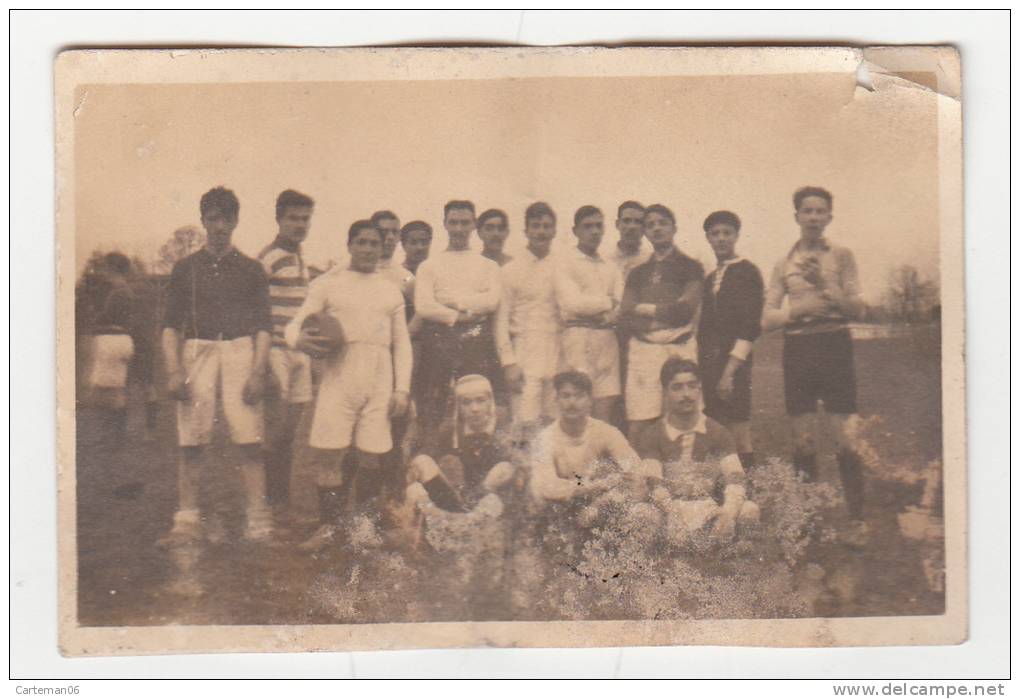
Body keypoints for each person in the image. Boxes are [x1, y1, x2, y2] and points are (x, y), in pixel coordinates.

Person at [286, 220, 412, 552]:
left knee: (372, 455)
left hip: (379, 377)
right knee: (329, 455)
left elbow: (403, 344)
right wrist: (298, 340)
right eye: (362, 242)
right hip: (339, 375)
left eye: (375, 243)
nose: (369, 249)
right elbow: (295, 324)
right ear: (350, 245)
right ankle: (329, 527)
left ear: (383, 246)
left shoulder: (390, 288)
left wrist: (402, 389)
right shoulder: (328, 284)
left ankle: (364, 528)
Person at [161, 187, 274, 544]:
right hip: (198, 350)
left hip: (240, 350)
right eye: (213, 218)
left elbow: (263, 328)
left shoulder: (251, 269)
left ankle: (257, 517)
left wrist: (257, 372)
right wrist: (175, 370)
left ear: (237, 221)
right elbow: (169, 326)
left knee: (249, 438)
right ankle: (187, 519)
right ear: (203, 221)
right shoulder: (185, 268)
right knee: (191, 437)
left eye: (227, 218)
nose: (220, 226)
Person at [763, 186, 868, 544]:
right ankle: (805, 521)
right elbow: (768, 318)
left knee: (845, 439)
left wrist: (825, 285)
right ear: (796, 217)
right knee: (802, 441)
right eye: (806, 211)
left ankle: (857, 522)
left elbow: (857, 309)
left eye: (819, 211)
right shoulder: (783, 263)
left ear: (829, 217)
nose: (812, 217)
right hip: (798, 348)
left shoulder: (842, 256)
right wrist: (798, 311)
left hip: (835, 344)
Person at [632, 358, 759, 549]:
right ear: (665, 392)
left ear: (700, 390)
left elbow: (736, 477)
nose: (686, 394)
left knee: (749, 510)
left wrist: (728, 513)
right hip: (668, 509)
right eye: (677, 387)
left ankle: (736, 560)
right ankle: (654, 561)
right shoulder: (653, 434)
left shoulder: (718, 432)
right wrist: (674, 516)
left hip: (708, 507)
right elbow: (654, 483)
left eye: (692, 386)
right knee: (641, 514)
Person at [413, 200, 504, 439]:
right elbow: (424, 306)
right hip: (439, 343)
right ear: (444, 224)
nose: (459, 228)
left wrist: (449, 300)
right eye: (453, 222)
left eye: (465, 223)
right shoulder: (429, 266)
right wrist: (458, 315)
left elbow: (492, 301)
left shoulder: (489, 266)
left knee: (476, 405)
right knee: (436, 407)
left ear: (474, 225)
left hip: (476, 344)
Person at [619, 204, 705, 437]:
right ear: (645, 232)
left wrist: (644, 309)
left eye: (662, 223)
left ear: (674, 228)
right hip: (644, 351)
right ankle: (639, 474)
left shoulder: (691, 266)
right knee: (640, 422)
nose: (657, 229)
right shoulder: (637, 273)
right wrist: (662, 318)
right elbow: (626, 316)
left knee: (684, 420)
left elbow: (684, 311)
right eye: (650, 225)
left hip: (679, 347)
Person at [257, 189, 316, 514]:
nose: (299, 224)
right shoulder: (268, 257)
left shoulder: (301, 259)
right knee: (275, 429)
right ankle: (269, 501)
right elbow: (253, 307)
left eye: (305, 219)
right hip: (276, 351)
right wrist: (262, 357)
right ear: (279, 219)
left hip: (299, 352)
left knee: (291, 429)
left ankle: (282, 499)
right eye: (293, 218)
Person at [696, 210, 764, 472]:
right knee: (715, 430)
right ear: (708, 238)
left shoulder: (747, 271)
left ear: (736, 236)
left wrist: (729, 372)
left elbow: (749, 327)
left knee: (738, 432)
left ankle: (749, 497)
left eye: (727, 233)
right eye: (715, 234)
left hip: (734, 364)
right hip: (709, 363)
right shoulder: (711, 277)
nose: (721, 238)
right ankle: (723, 494)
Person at [528, 371, 641, 508]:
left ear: (590, 401)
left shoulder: (605, 432)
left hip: (598, 505)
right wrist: (591, 487)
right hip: (560, 508)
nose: (572, 402)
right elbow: (547, 486)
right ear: (556, 399)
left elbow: (633, 466)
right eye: (566, 396)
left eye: (579, 396)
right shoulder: (545, 438)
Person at [496, 202, 561, 438]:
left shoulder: (562, 266)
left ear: (554, 231)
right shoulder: (510, 270)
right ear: (526, 231)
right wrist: (509, 363)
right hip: (524, 348)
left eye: (547, 226)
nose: (541, 232)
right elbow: (500, 321)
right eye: (535, 226)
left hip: (556, 347)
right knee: (525, 420)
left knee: (555, 421)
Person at [405, 374, 516, 513]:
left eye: (480, 400)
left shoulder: (504, 427)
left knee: (504, 468)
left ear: (490, 401)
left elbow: (517, 464)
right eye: (466, 402)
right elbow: (427, 454)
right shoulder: (450, 430)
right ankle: (454, 517)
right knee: (423, 462)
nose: (474, 409)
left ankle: (471, 521)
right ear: (458, 406)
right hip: (455, 497)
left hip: (490, 499)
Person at [554, 206, 624, 423]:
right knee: (578, 404)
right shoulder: (564, 262)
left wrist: (610, 310)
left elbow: (621, 304)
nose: (594, 232)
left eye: (598, 226)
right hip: (577, 339)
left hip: (606, 340)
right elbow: (572, 303)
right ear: (575, 231)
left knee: (605, 407)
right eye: (587, 227)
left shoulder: (611, 267)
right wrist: (606, 302)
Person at [85, 252, 138, 446]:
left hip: (112, 340)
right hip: (121, 340)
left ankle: (113, 436)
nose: (103, 271)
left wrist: (95, 317)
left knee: (105, 392)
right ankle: (114, 435)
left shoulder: (119, 292)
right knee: (113, 390)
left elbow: (105, 317)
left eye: (106, 267)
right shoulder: (124, 291)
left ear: (113, 268)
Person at [372, 210, 415, 300]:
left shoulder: (406, 278)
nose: (390, 237)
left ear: (399, 236)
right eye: (384, 232)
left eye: (394, 232)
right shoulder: (345, 269)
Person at [608, 201, 652, 281]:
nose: (632, 227)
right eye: (626, 221)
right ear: (617, 224)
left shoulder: (651, 260)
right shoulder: (605, 258)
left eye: (638, 222)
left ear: (645, 227)